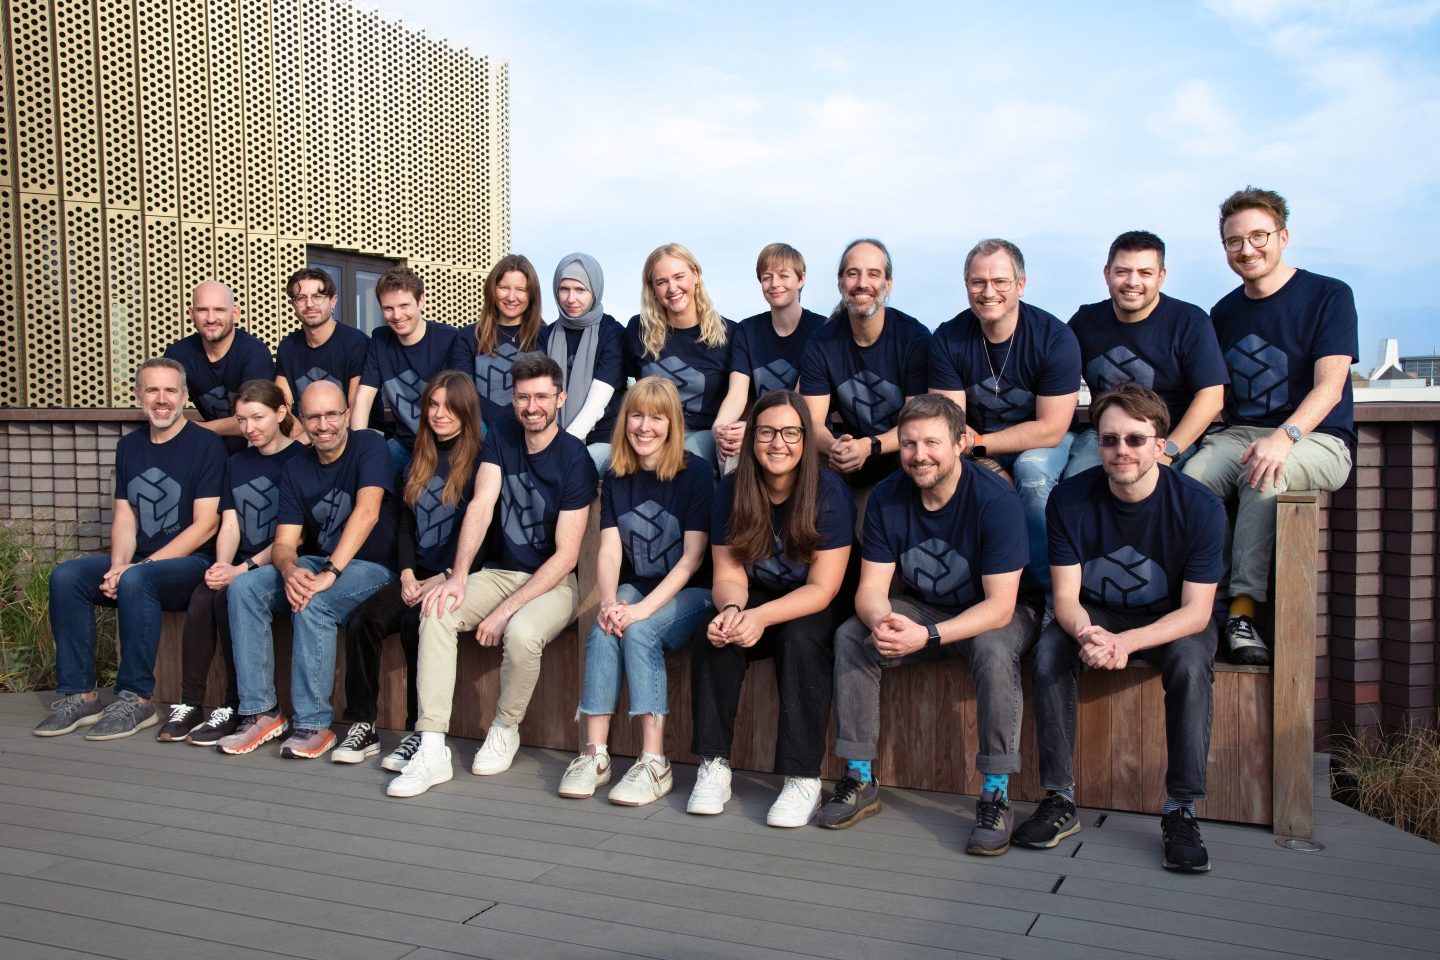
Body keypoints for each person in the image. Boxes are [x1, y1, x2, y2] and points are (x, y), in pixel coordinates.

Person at [819, 394, 1039, 856]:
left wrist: (928, 636)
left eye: (932, 443)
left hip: (997, 611)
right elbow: (871, 590)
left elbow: (1001, 606)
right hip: (924, 606)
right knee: (852, 636)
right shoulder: (886, 495)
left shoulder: (994, 499)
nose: (920, 455)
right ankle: (860, 776)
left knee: (993, 648)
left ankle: (996, 791)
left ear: (961, 443)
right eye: (909, 444)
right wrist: (883, 623)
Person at [1019, 384, 1225, 873]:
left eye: (1136, 439)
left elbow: (1197, 613)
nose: (1121, 451)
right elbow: (1065, 598)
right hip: (1097, 614)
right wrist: (1090, 634)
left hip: (1171, 617)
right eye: (1109, 440)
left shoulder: (1200, 507)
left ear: (1160, 444)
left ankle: (1181, 810)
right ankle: (1060, 798)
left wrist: (1125, 643)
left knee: (1192, 662)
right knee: (1049, 652)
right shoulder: (1069, 500)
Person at [389, 352, 599, 798]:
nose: (532, 406)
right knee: (438, 609)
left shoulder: (575, 458)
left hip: (554, 583)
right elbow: (482, 504)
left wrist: (506, 610)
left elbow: (565, 556)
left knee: (521, 631)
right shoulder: (502, 435)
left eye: (542, 396)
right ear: (513, 398)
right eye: (523, 397)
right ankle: (432, 748)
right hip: (500, 572)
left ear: (560, 398)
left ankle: (505, 727)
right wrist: (458, 577)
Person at [1183, 187, 1357, 664]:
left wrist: (1284, 437)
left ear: (1282, 236)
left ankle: (1242, 611)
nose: (1247, 249)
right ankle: (1203, 603)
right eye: (1234, 241)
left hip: (1319, 437)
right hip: (1240, 433)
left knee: (1264, 475)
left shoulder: (1328, 296)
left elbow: (1330, 387)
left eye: (1258, 236)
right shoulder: (1222, 313)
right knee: (1190, 482)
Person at [688, 390, 855, 827]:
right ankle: (714, 765)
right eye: (766, 432)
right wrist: (732, 610)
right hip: (757, 593)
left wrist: (759, 617)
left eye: (790, 432)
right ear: (750, 439)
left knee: (801, 639)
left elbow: (822, 588)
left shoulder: (829, 493)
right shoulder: (730, 491)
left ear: (805, 439)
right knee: (714, 631)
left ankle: (803, 776)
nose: (777, 443)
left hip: (815, 602)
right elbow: (729, 575)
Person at [35, 358, 225, 740]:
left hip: (189, 564)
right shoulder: (129, 446)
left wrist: (140, 567)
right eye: (152, 390)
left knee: (139, 579)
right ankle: (80, 694)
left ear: (184, 396)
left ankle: (136, 700)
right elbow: (125, 516)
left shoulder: (206, 445)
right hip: (141, 564)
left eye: (170, 390)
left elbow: (207, 523)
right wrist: (117, 566)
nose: (161, 399)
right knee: (67, 577)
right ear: (138, 395)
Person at [219, 379, 398, 759]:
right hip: (316, 561)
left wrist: (328, 573)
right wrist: (288, 572)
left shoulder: (369, 446)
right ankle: (261, 711)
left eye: (332, 414)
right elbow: (285, 542)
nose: (324, 425)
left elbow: (368, 513)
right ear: (301, 419)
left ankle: (314, 724)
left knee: (315, 601)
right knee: (245, 588)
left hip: (373, 568)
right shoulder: (298, 464)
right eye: (314, 417)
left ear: (347, 415)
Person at [559, 377, 714, 806]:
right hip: (639, 586)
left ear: (673, 424)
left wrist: (642, 609)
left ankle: (654, 761)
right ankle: (595, 755)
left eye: (657, 417)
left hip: (694, 593)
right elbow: (609, 549)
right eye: (636, 415)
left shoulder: (695, 472)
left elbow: (693, 559)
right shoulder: (617, 474)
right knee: (606, 626)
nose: (644, 426)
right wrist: (610, 602)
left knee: (639, 631)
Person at [336, 371, 483, 769]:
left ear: (466, 410)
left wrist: (446, 576)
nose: (440, 414)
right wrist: (404, 573)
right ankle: (362, 724)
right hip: (413, 573)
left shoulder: (480, 461)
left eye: (449, 406)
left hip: (454, 576)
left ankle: (419, 734)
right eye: (433, 405)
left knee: (416, 625)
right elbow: (404, 523)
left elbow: (484, 534)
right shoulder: (420, 456)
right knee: (363, 620)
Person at [928, 238, 1080, 591]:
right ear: (966, 285)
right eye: (977, 282)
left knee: (1032, 471)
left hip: (1039, 443)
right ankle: (964, 591)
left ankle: (1047, 592)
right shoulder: (949, 337)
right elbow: (950, 420)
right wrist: (985, 460)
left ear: (1020, 286)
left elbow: (1051, 429)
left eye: (1000, 282)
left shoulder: (1055, 337)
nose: (988, 292)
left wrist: (979, 448)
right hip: (972, 444)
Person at [159, 379, 304, 745]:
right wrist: (221, 566)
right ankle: (191, 702)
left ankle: (235, 704)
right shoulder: (236, 462)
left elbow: (295, 538)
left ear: (281, 413)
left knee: (231, 595)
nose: (249, 428)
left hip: (281, 562)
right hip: (241, 562)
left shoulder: (300, 460)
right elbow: (231, 522)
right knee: (203, 597)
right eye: (241, 420)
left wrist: (241, 570)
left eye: (258, 417)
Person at [1064, 231, 1227, 477]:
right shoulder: (1085, 321)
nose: (1132, 282)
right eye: (1122, 272)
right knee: (1078, 482)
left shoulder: (1189, 321)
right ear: (1107, 274)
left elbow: (1212, 396)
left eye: (1145, 273)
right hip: (1105, 435)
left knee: (1174, 491)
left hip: (1169, 435)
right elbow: (1052, 373)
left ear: (1161, 277)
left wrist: (1168, 452)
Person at [798, 238, 930, 496]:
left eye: (873, 274)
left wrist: (870, 446)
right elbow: (812, 421)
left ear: (887, 284)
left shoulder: (915, 339)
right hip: (846, 457)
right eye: (852, 274)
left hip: (903, 455)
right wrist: (833, 446)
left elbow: (919, 422)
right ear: (840, 283)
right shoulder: (821, 343)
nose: (862, 283)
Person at [623, 243, 737, 469]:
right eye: (662, 282)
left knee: (687, 458)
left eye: (678, 277)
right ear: (652, 289)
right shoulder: (638, 330)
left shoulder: (729, 333)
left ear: (695, 275)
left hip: (703, 434)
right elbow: (625, 390)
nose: (672, 287)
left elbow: (741, 396)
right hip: (650, 432)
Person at [711, 243, 826, 464]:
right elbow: (737, 392)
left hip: (802, 427)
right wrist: (720, 427)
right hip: (759, 430)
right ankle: (738, 499)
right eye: (767, 277)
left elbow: (802, 401)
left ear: (801, 279)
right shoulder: (747, 330)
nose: (775, 284)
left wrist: (758, 427)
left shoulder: (820, 330)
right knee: (730, 448)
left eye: (784, 276)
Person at [350, 266, 471, 475]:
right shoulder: (380, 340)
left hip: (443, 444)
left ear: (421, 300)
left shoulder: (450, 338)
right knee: (366, 471)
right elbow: (364, 398)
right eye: (388, 308)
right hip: (404, 443)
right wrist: (357, 451)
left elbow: (463, 398)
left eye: (404, 305)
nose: (397, 315)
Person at [164, 281, 275, 453]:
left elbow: (253, 420)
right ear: (191, 314)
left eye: (219, 310)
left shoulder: (254, 353)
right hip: (211, 447)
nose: (210, 318)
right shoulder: (178, 355)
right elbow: (164, 403)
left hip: (256, 447)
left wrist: (194, 429)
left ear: (235, 314)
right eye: (202, 310)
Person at [540, 253, 626, 472]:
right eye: (564, 289)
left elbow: (598, 402)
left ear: (594, 291)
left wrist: (564, 446)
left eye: (580, 290)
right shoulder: (545, 335)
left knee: (576, 470)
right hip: (549, 436)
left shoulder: (613, 334)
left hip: (603, 438)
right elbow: (540, 393)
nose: (571, 298)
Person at [273, 267, 370, 424]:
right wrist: (301, 436)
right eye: (301, 298)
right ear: (293, 305)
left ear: (333, 301)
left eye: (317, 296)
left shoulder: (357, 343)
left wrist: (310, 437)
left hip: (352, 435)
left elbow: (355, 409)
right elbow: (281, 405)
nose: (309, 304)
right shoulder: (287, 347)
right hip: (304, 435)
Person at [471, 254, 546, 427]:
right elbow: (463, 397)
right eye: (504, 287)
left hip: (530, 437)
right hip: (481, 439)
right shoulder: (469, 336)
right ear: (492, 290)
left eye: (521, 289)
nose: (511, 297)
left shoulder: (545, 336)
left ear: (532, 294)